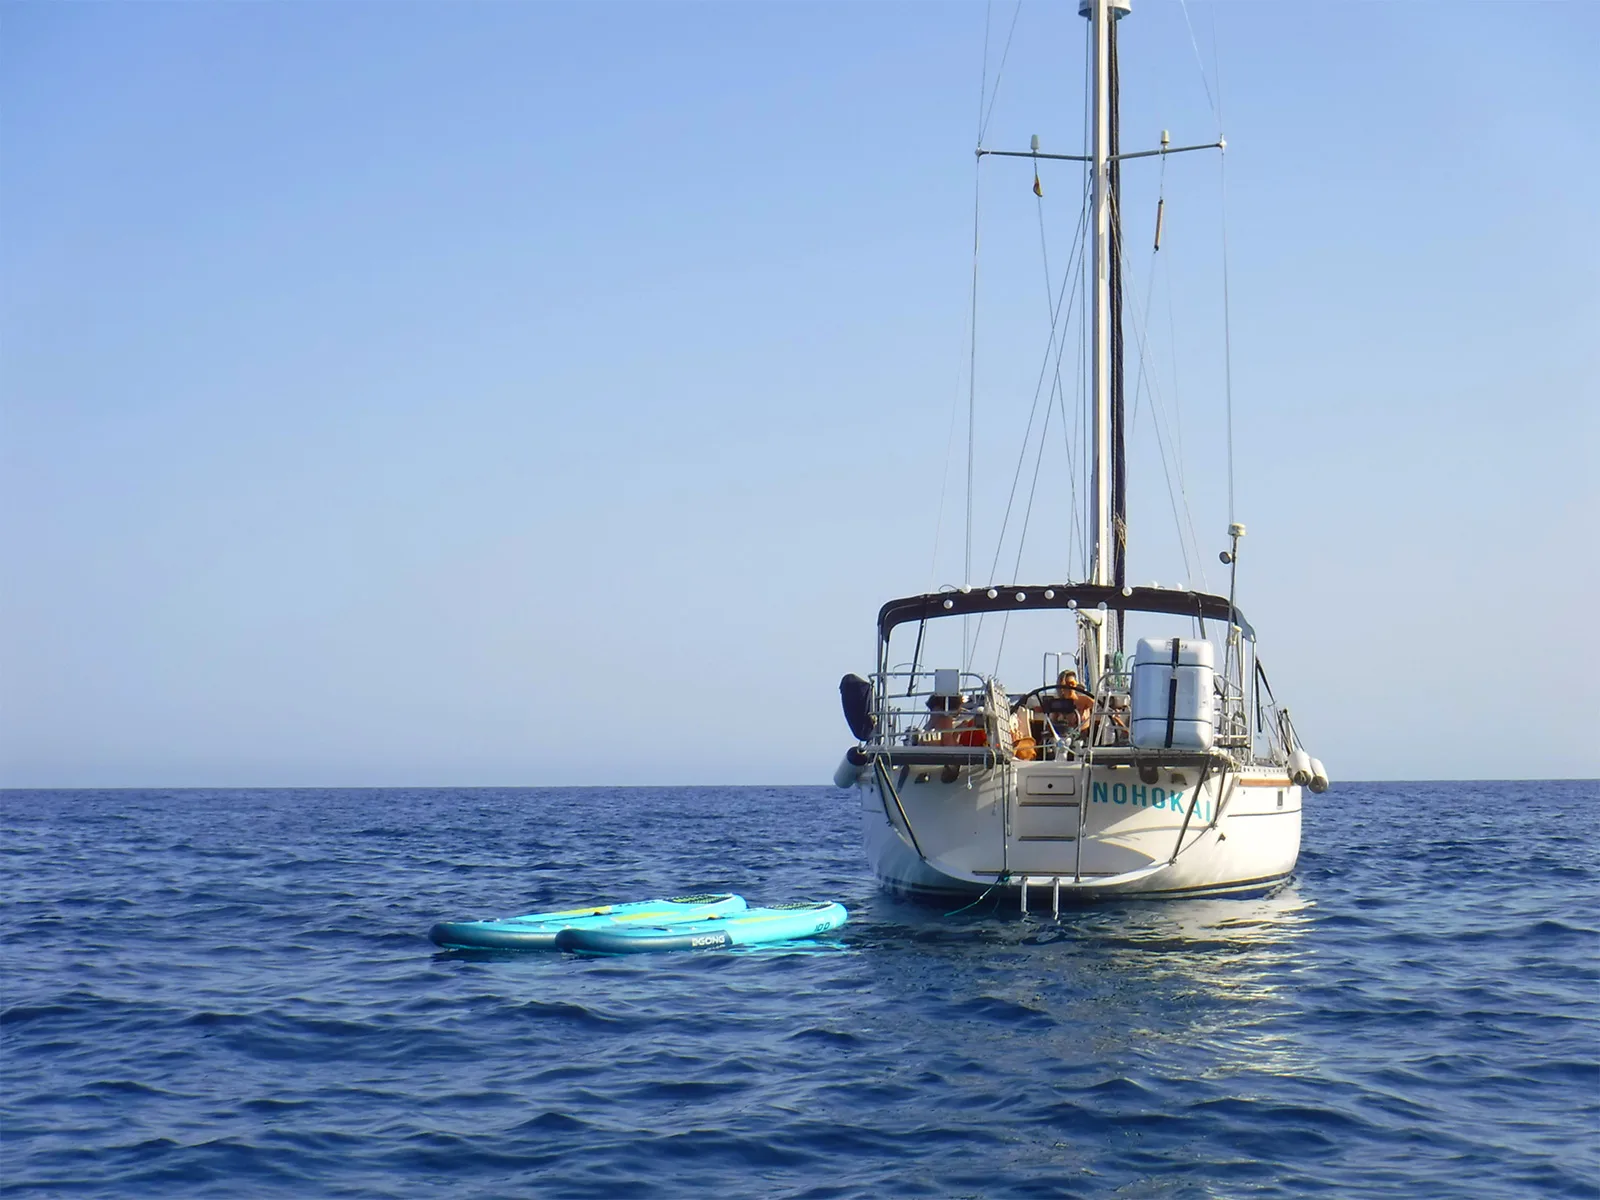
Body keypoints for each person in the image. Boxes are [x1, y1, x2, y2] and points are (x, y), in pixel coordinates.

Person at [1039, 669, 1095, 738]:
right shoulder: (1056, 704)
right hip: (1058, 740)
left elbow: (1100, 708)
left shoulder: (1084, 700)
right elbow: (1051, 723)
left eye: (1072, 683)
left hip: (1080, 741)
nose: (1069, 687)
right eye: (1065, 685)